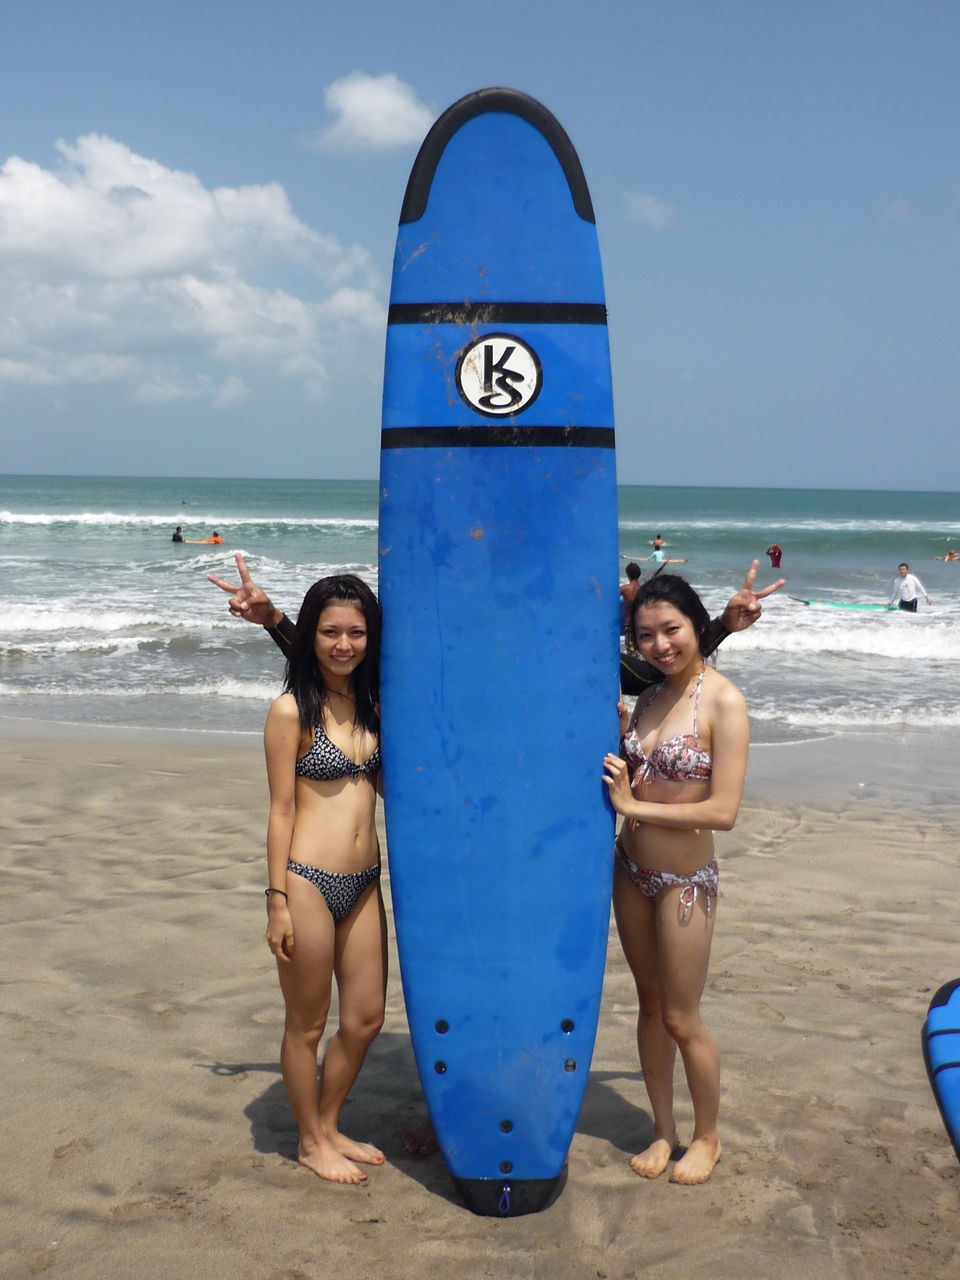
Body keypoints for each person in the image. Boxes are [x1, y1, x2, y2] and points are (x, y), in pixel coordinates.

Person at [603, 574, 750, 1187]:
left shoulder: (724, 702)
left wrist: (633, 806)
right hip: (630, 871)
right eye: (645, 636)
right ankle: (663, 1129)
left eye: (671, 630)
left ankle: (707, 1137)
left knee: (683, 1017)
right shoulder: (649, 697)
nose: (660, 645)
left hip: (684, 881)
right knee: (650, 1005)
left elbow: (723, 811)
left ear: (697, 626)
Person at [262, 574, 388, 1185]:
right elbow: (280, 811)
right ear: (310, 635)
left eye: (356, 632)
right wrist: (276, 901)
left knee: (365, 1019)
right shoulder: (291, 711)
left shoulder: (372, 707)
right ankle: (311, 1141)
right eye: (330, 631)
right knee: (307, 1025)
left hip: (364, 882)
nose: (344, 644)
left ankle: (330, 1124)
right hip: (307, 882)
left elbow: (389, 788)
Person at [620, 562, 643, 654]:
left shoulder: (624, 589)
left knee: (631, 649)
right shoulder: (644, 589)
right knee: (640, 647)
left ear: (627, 574)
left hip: (629, 622)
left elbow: (610, 602)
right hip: (641, 622)